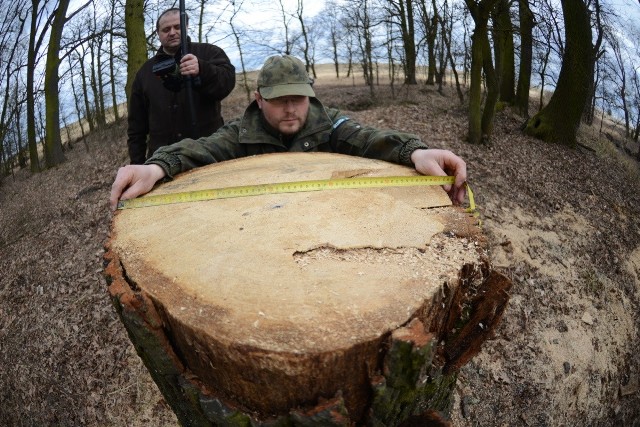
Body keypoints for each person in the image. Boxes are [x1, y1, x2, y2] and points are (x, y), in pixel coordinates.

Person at [111, 55, 467, 210]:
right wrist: (155, 167)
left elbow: (368, 137)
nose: (292, 109)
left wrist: (416, 152)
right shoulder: (242, 131)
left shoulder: (326, 120)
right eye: (280, 100)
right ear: (259, 98)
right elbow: (202, 148)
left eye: (299, 98)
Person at [127, 7, 236, 164]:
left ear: (186, 26)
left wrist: (202, 70)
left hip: (210, 153)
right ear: (158, 33)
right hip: (162, 162)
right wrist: (137, 165)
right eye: (166, 29)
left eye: (177, 27)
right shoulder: (144, 73)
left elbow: (226, 83)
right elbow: (136, 128)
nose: (172, 32)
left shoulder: (209, 53)